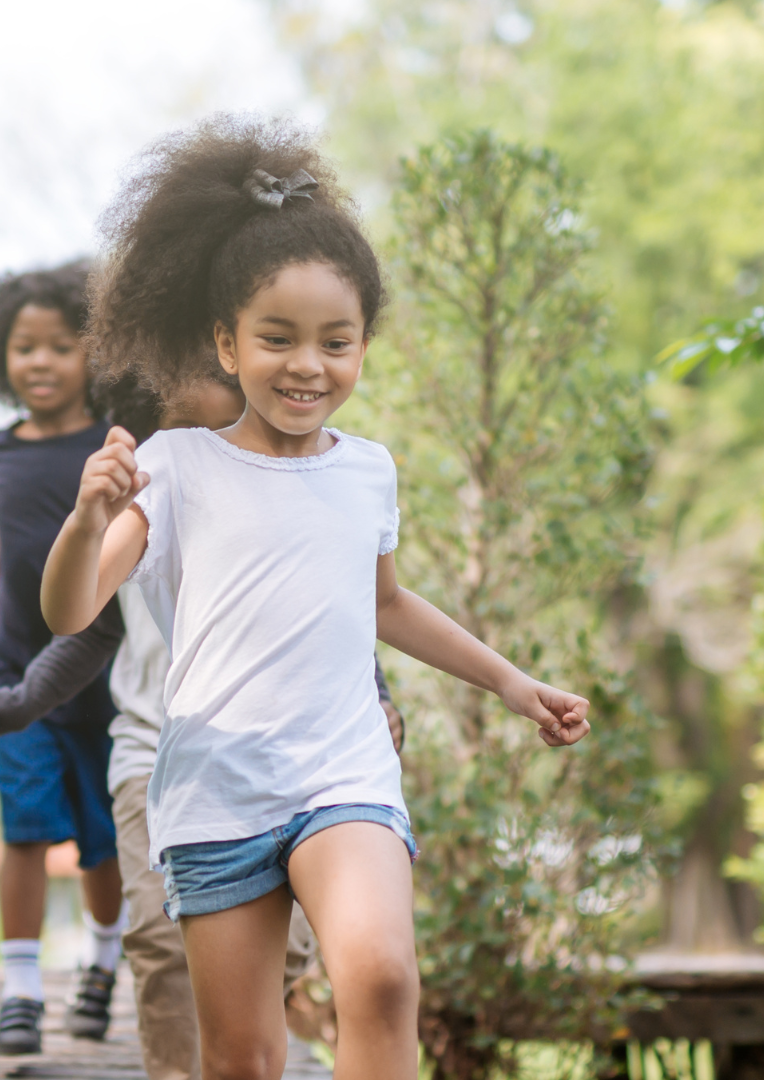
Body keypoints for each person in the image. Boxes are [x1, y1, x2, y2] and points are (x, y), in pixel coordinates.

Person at [41, 115, 590, 1080]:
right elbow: (70, 610)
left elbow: (387, 605)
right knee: (245, 1060)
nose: (308, 365)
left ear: (364, 345)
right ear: (225, 341)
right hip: (216, 789)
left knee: (378, 978)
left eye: (336, 342)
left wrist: (512, 683)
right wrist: (89, 518)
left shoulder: (369, 471)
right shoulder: (175, 466)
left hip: (343, 771)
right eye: (277, 338)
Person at [0, 369, 403, 1079]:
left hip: (294, 771)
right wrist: (19, 704)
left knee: (290, 960)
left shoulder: (311, 487)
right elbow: (82, 630)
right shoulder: (152, 499)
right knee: (159, 939)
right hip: (157, 756)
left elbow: (339, 614)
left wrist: (380, 695)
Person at [0, 263, 125, 1054]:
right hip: (12, 679)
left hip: (102, 682)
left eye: (60, 345)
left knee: (101, 835)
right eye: (23, 347)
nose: (40, 362)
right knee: (24, 828)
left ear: (95, 354)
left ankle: (102, 964)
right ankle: (17, 989)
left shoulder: (112, 451)